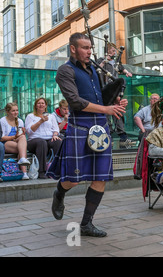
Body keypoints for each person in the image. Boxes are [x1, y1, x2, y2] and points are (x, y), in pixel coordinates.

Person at [47, 32, 127, 237]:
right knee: (73, 180)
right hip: (80, 129)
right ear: (73, 48)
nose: (89, 51)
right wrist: (106, 110)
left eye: (90, 47)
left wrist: (115, 104)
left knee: (100, 178)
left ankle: (86, 223)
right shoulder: (65, 71)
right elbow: (75, 102)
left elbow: (102, 97)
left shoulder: (94, 69)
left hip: (101, 128)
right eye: (84, 47)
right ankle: (60, 192)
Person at [99, 43, 134, 148]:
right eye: (113, 51)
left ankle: (122, 136)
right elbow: (97, 69)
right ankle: (108, 135)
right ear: (108, 51)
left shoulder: (116, 62)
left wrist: (126, 72)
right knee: (107, 113)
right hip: (106, 91)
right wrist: (104, 61)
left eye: (115, 51)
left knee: (118, 111)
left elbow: (121, 68)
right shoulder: (101, 60)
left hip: (116, 91)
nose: (114, 53)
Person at [25, 98, 62, 179]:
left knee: (57, 142)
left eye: (43, 103)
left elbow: (56, 129)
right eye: (39, 103)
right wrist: (40, 121)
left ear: (45, 105)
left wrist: (55, 135)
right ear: (36, 106)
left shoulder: (51, 116)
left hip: (48, 138)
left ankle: (57, 170)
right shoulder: (30, 116)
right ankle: (41, 171)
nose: (41, 105)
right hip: (34, 141)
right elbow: (29, 131)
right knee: (41, 142)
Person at [133, 93, 160, 180]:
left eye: (156, 99)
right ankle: (143, 168)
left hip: (159, 133)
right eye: (153, 99)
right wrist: (143, 130)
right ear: (150, 100)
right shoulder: (145, 109)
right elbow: (136, 117)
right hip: (148, 132)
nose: (154, 100)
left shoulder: (162, 110)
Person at [1, 103, 31, 179]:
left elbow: (20, 136)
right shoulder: (2, 121)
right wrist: (14, 137)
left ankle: (22, 160)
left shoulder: (20, 121)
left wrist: (22, 133)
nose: (16, 112)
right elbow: (1, 138)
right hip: (5, 143)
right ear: (7, 112)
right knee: (22, 149)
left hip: (17, 142)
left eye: (17, 110)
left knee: (23, 137)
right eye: (13, 111)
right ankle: (24, 173)